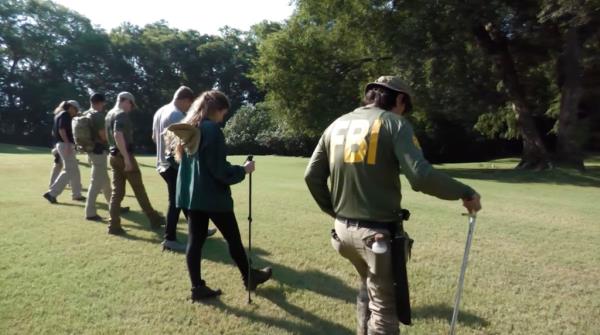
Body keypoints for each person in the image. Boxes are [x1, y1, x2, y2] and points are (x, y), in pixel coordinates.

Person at [304, 76, 482, 335]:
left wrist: (334, 211)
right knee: (386, 311)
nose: (403, 112)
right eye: (405, 106)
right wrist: (465, 192)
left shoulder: (336, 124)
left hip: (341, 232)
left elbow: (312, 176)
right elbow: (420, 177)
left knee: (367, 286)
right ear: (399, 99)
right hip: (375, 235)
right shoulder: (394, 124)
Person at [168, 90, 272, 301]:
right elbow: (219, 170)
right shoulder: (211, 129)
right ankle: (249, 277)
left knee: (195, 242)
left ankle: (198, 287)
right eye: (223, 113)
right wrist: (243, 170)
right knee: (233, 238)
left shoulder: (191, 128)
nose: (223, 118)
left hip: (191, 196)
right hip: (211, 196)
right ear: (216, 110)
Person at [152, 86, 216, 251]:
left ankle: (199, 229)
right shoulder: (176, 115)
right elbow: (184, 143)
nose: (190, 108)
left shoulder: (160, 111)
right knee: (176, 201)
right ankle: (169, 239)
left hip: (162, 163)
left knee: (183, 198)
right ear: (185, 100)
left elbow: (154, 137)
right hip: (173, 165)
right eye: (190, 104)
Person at [105, 91, 164, 235]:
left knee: (116, 193)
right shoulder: (121, 115)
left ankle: (113, 225)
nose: (131, 108)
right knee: (139, 189)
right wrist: (126, 158)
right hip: (124, 156)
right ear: (125, 101)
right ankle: (154, 218)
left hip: (113, 156)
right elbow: (117, 134)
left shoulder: (108, 115)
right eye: (131, 104)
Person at [83, 93, 129, 221]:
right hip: (98, 151)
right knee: (96, 183)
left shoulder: (86, 113)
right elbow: (103, 136)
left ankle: (114, 206)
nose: (104, 106)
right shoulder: (97, 116)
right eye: (103, 103)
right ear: (100, 102)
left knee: (105, 182)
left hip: (90, 150)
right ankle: (90, 212)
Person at [43, 100, 85, 204]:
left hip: (61, 144)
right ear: (70, 107)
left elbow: (55, 132)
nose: (76, 112)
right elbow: (62, 130)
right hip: (65, 144)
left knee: (74, 170)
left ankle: (77, 194)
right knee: (69, 170)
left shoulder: (58, 115)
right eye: (75, 109)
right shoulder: (65, 114)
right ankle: (52, 193)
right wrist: (67, 144)